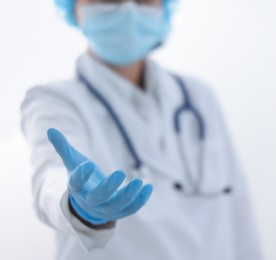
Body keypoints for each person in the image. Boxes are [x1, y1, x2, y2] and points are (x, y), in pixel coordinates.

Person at [20, 0, 261, 259]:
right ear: (73, 7)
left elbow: (239, 213)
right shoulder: (53, 101)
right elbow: (50, 173)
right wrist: (77, 206)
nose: (127, 9)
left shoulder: (200, 98)